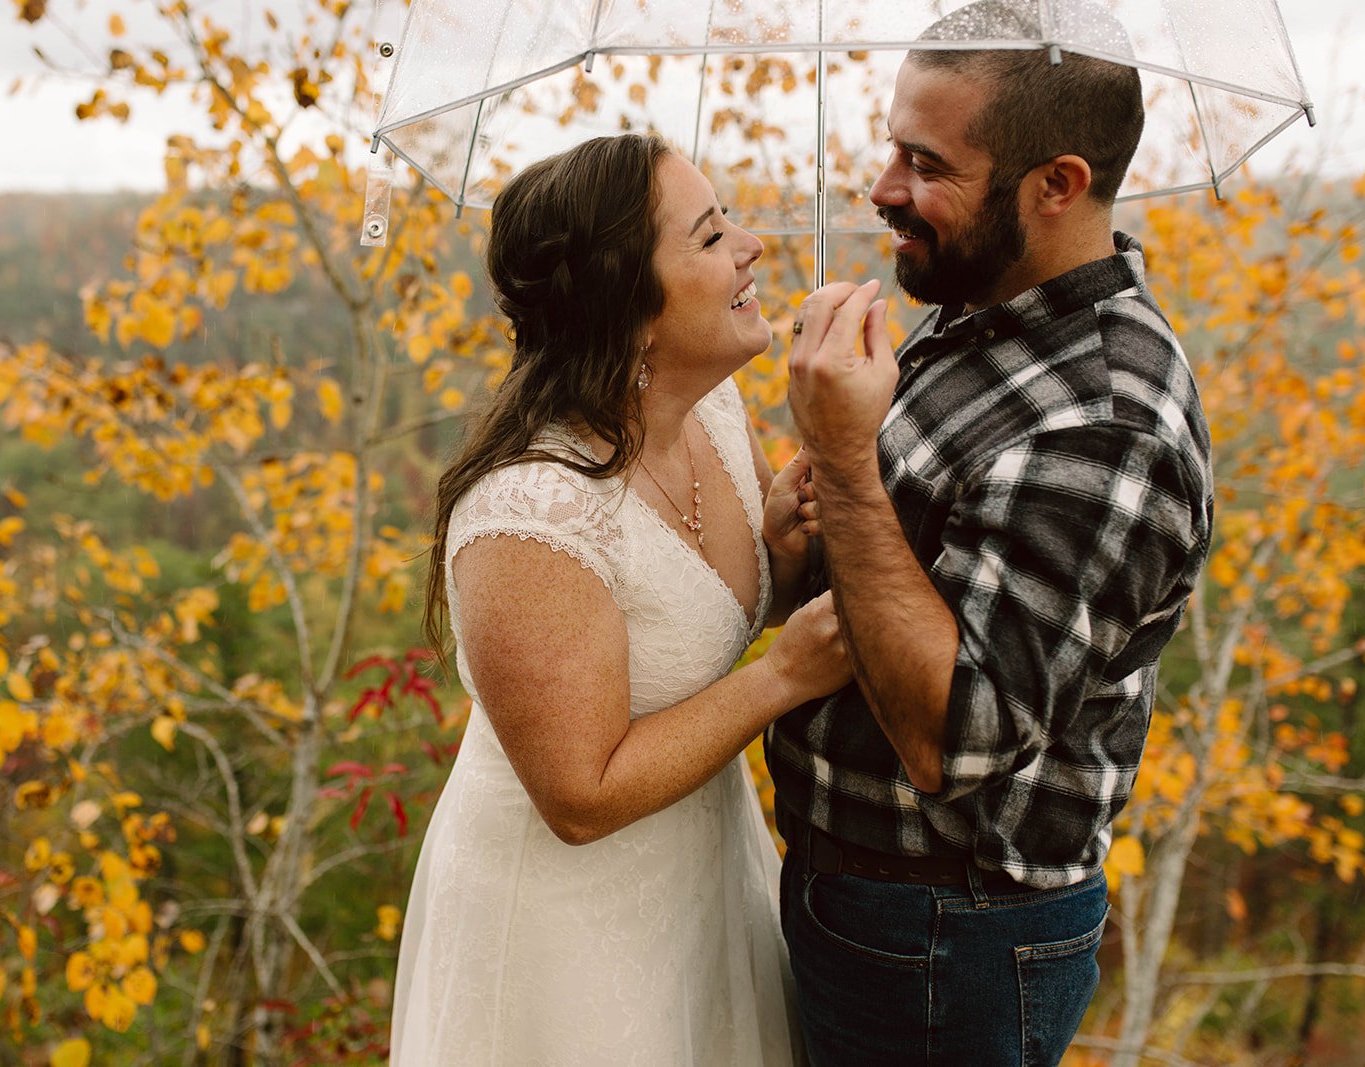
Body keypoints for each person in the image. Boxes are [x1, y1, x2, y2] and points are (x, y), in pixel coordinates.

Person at [768, 2, 1215, 1064]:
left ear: (1055, 185)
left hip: (945, 937)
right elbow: (891, 571)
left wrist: (844, 460)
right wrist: (803, 524)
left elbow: (953, 736)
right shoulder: (979, 307)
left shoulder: (1103, 421)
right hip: (864, 903)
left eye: (926, 163)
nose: (882, 188)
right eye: (891, 147)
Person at [390, 132, 846, 1066]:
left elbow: (697, 616)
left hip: (704, 879)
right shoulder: (532, 508)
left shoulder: (711, 416)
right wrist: (782, 678)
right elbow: (579, 795)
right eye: (713, 236)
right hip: (568, 921)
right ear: (630, 307)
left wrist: (786, 552)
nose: (752, 245)